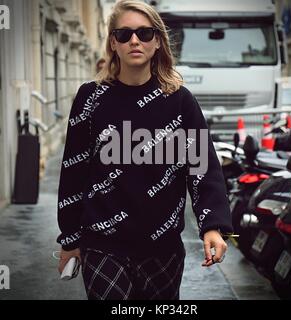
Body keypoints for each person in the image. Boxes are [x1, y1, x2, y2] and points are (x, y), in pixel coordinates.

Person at [57, 0, 233, 300]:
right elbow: (73, 172)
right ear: (113, 42)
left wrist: (212, 226)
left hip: (162, 249)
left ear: (158, 42)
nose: (134, 40)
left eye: (145, 33)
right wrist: (70, 239)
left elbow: (202, 167)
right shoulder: (91, 98)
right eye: (124, 34)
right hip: (102, 245)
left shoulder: (180, 101)